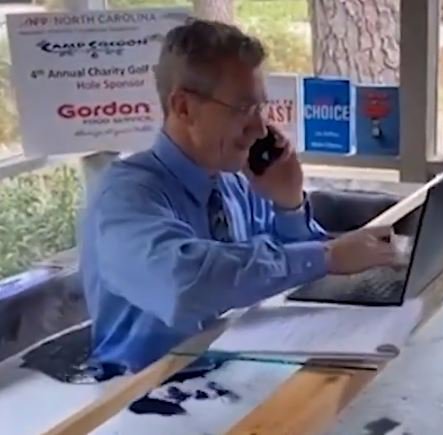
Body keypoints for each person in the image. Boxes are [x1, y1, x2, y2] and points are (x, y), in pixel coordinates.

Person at [79, 19, 398, 373]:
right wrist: (326, 256)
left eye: (261, 109)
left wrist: (289, 204)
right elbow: (187, 285)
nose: (260, 128)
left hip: (235, 370)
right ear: (184, 108)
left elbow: (290, 275)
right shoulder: (124, 196)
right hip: (140, 395)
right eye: (244, 109)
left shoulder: (235, 180)